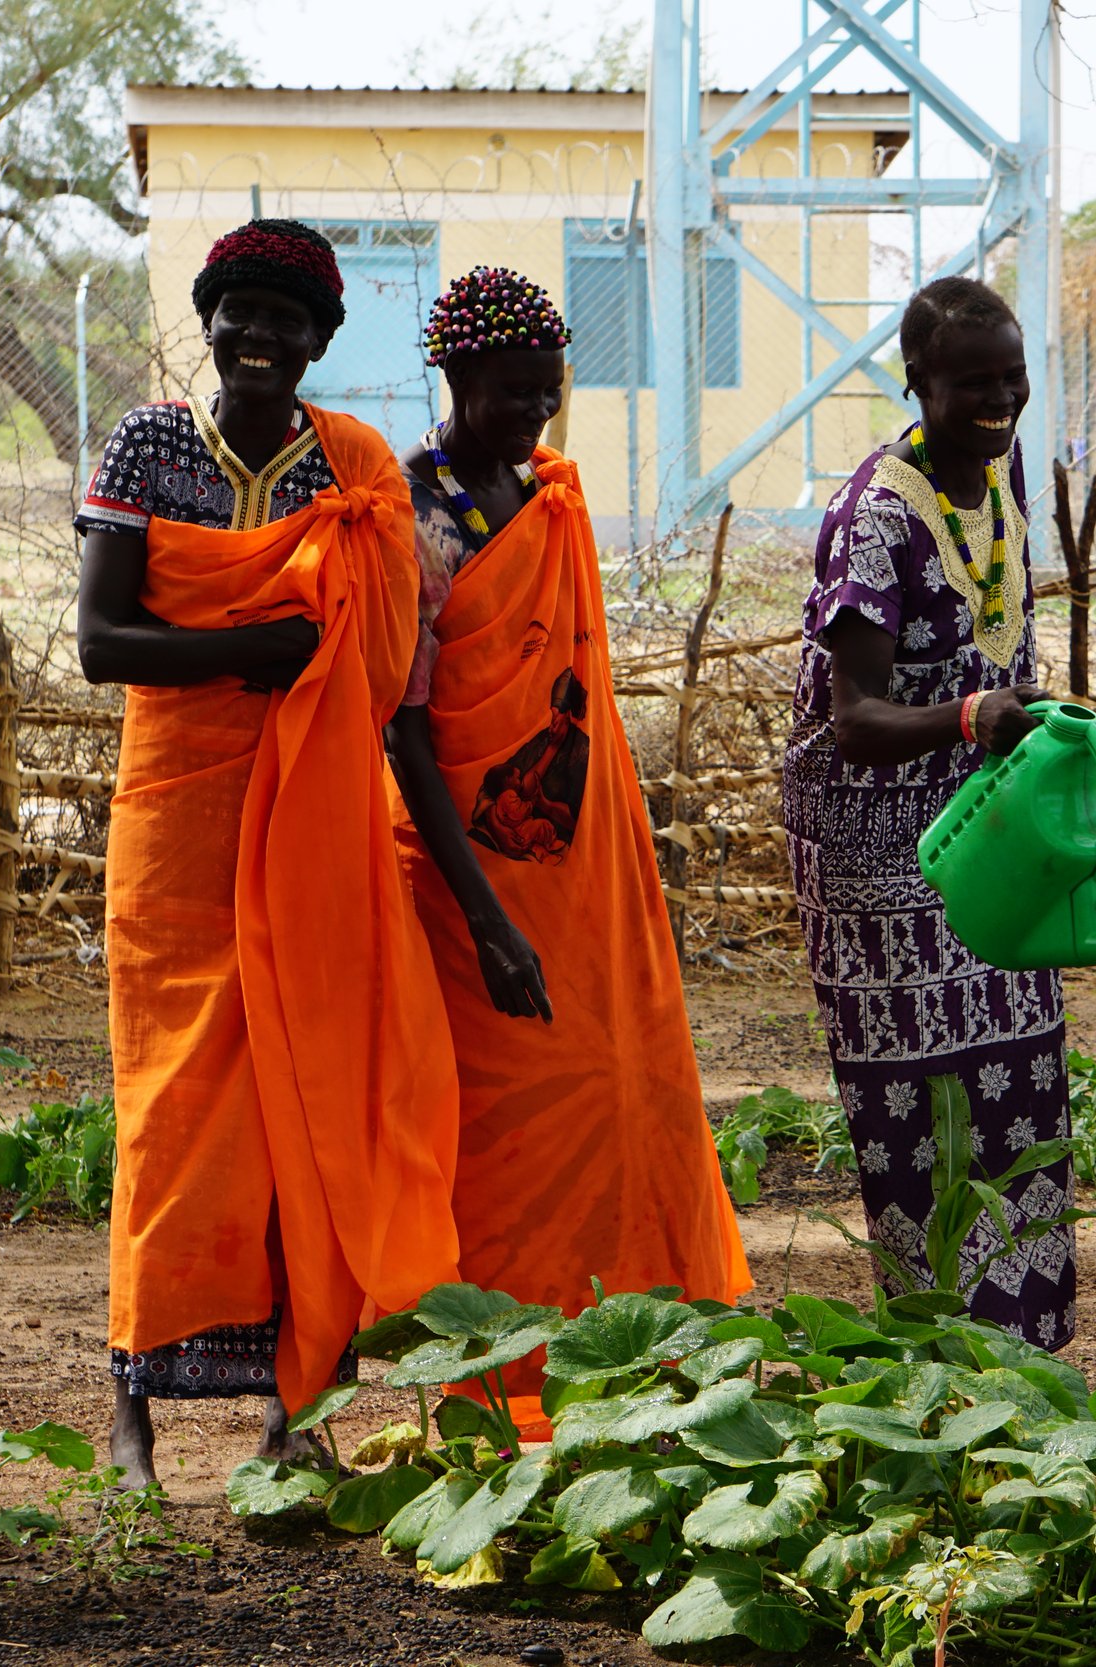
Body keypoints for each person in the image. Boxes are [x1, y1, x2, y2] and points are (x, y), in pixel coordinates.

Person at [76, 219, 463, 1486]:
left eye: (285, 321)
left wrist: (300, 660)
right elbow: (102, 642)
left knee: (303, 1091)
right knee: (171, 1106)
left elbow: (385, 654)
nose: (258, 337)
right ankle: (133, 1403)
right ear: (209, 319)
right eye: (237, 313)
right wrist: (252, 653)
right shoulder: (144, 444)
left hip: (310, 818)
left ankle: (291, 1412)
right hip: (178, 824)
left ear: (321, 340)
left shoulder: (347, 468)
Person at [386, 268, 751, 1438]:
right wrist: (489, 917)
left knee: (620, 1090)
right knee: (500, 1132)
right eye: (507, 395)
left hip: (582, 867)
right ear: (453, 380)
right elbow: (402, 724)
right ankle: (500, 1379)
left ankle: (634, 1351)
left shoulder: (546, 491)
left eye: (545, 396)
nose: (530, 419)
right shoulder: (415, 513)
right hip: (468, 883)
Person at [781, 275, 1077, 1349]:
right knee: (922, 1103)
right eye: (971, 383)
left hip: (985, 828)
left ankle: (1026, 1351)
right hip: (875, 854)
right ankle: (940, 1353)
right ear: (918, 383)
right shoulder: (876, 514)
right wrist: (969, 713)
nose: (999, 400)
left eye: (1012, 376)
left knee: (1020, 1074)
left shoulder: (994, 485)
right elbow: (853, 716)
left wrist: (1024, 726)